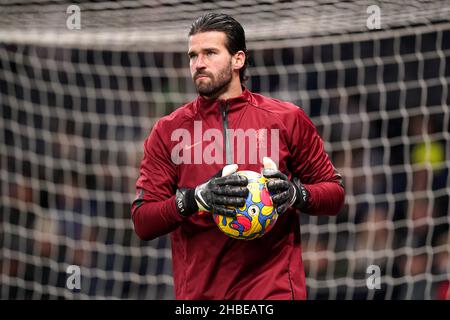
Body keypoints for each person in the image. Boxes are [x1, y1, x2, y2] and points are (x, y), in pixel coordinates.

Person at [131, 13, 345, 300]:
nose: (199, 64)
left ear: (238, 60)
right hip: (201, 296)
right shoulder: (169, 130)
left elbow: (334, 194)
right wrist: (196, 199)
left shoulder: (286, 119)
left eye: (210, 53)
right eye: (193, 55)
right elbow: (143, 221)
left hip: (273, 290)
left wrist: (296, 194)